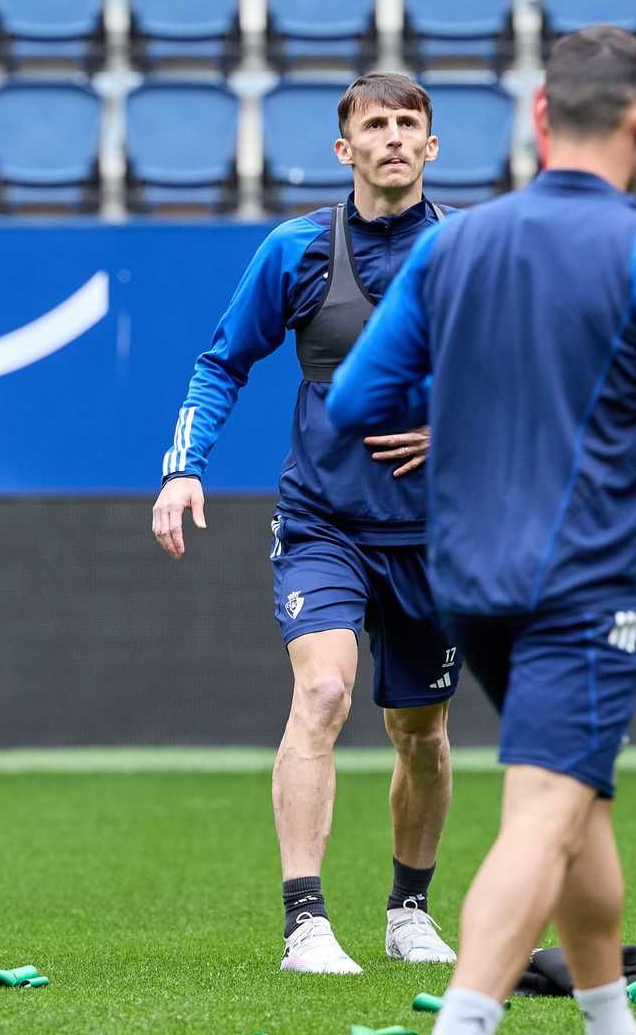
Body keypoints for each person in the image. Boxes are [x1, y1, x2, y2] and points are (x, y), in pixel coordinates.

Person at [326, 25, 636, 1035]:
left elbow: (356, 397)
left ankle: (608, 1014)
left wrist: (459, 405)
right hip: (581, 587)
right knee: (546, 809)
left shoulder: (453, 244)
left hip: (466, 581)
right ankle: (465, 1021)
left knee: (583, 800)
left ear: (540, 116)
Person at [153, 73, 460, 974]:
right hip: (324, 522)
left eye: (408, 124)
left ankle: (409, 913)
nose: (393, 137)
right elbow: (221, 363)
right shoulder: (297, 249)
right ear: (345, 148)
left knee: (421, 735)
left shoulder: (468, 253)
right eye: (376, 124)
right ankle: (306, 924)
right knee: (323, 694)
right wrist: (183, 468)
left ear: (431, 146)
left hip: (434, 537)